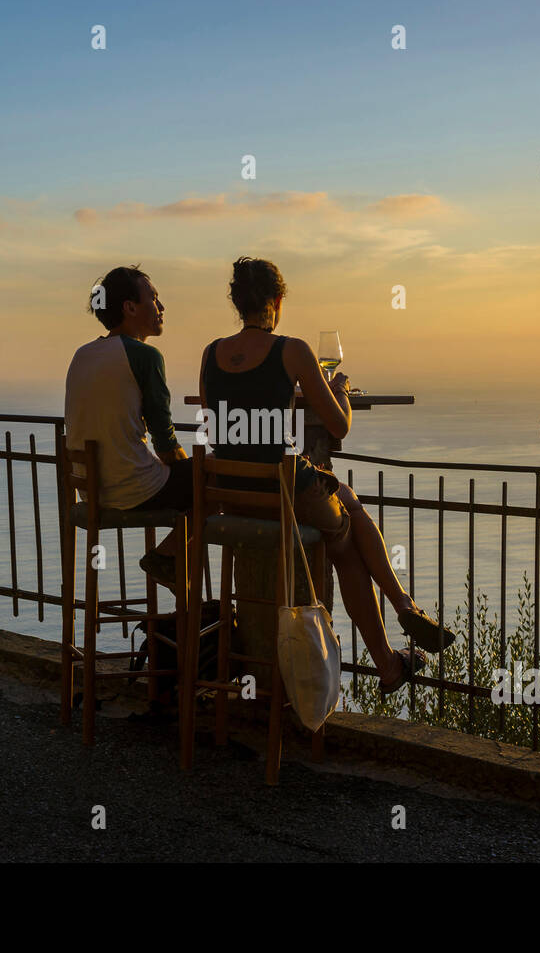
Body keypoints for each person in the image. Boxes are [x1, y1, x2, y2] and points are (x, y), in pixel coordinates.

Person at [199, 256, 455, 695]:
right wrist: (338, 393)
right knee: (348, 535)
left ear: (238, 303)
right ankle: (400, 614)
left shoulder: (211, 354)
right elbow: (338, 426)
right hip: (282, 492)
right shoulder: (291, 350)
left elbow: (218, 425)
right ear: (277, 302)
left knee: (346, 515)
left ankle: (393, 652)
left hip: (234, 495)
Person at [64, 265, 189, 586]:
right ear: (130, 307)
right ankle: (168, 561)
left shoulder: (82, 354)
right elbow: (165, 439)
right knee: (216, 485)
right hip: (132, 489)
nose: (161, 308)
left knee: (199, 483)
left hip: (92, 489)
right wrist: (193, 470)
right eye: (154, 298)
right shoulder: (145, 356)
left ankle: (177, 581)